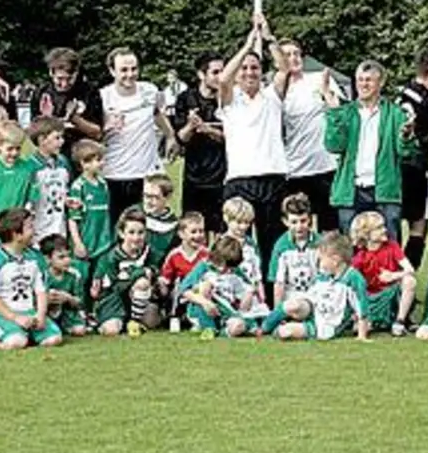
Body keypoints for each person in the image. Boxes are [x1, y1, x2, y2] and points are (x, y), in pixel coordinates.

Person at [217, 17, 290, 267]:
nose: (250, 72)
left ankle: (271, 298)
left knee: (272, 243)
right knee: (237, 246)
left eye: (255, 68)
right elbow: (223, 80)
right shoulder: (230, 101)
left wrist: (269, 39)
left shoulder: (271, 97)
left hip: (272, 178)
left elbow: (283, 70)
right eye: (245, 69)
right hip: (240, 180)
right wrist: (247, 47)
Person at [324, 60, 418, 241]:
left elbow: (406, 152)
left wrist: (406, 137)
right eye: (360, 80)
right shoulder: (346, 112)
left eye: (368, 80)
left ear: (381, 82)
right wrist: (334, 112)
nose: (363, 85)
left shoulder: (396, 114)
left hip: (384, 190)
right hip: (350, 190)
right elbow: (333, 146)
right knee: (350, 248)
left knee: (388, 245)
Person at [266, 26, 339, 231]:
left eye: (297, 53)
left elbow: (339, 112)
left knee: (329, 227)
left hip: (325, 165)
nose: (294, 58)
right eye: (287, 54)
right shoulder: (275, 90)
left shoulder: (319, 79)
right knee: (295, 226)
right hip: (294, 168)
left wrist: (328, 96)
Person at [98, 47, 177, 217]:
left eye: (134, 69)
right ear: (112, 71)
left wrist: (170, 136)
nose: (130, 74)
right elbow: (95, 137)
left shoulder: (149, 90)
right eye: (124, 70)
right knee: (119, 228)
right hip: (115, 173)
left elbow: (157, 113)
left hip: (147, 174)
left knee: (147, 227)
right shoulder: (103, 97)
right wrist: (108, 127)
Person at [263, 231, 370, 341]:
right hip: (313, 308)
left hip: (326, 323)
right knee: (293, 305)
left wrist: (362, 335)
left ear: (335, 260)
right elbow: (313, 294)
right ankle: (264, 327)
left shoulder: (353, 278)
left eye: (321, 259)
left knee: (286, 331)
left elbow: (361, 307)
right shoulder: (324, 274)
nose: (319, 263)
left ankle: (278, 330)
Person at [0, 208, 62, 350]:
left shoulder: (35, 257)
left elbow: (41, 290)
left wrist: (40, 315)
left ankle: (24, 333)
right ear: (16, 234)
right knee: (16, 342)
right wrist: (15, 318)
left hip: (28, 312)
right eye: (30, 227)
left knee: (53, 339)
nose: (34, 230)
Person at [397, 52, 428, 270]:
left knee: (395, 224)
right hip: (415, 169)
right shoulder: (425, 101)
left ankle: (396, 283)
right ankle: (406, 278)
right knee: (419, 225)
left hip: (395, 168)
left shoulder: (404, 94)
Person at [172, 53, 228, 235]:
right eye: (215, 72)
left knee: (222, 233)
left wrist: (207, 129)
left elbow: (234, 138)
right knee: (193, 232)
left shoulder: (229, 99)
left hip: (223, 178)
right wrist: (191, 125)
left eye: (223, 71)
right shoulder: (185, 99)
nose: (221, 77)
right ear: (201, 75)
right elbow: (180, 138)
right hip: (194, 178)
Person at [90, 209, 159, 336]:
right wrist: (140, 272)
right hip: (113, 300)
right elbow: (108, 288)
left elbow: (155, 271)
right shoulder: (110, 258)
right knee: (112, 331)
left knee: (153, 320)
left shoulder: (149, 252)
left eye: (141, 233)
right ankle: (100, 322)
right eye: (131, 232)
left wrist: (152, 275)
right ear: (122, 233)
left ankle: (134, 322)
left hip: (136, 299)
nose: (136, 237)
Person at [349, 211, 417, 337]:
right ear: (367, 234)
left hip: (391, 294)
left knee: (410, 281)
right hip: (371, 298)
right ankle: (365, 320)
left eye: (384, 226)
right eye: (379, 228)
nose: (385, 230)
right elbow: (350, 282)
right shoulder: (360, 258)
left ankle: (400, 321)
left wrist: (393, 275)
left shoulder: (392, 247)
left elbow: (410, 269)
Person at [25, 48, 104, 148]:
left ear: (76, 72)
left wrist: (75, 119)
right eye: (60, 79)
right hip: (50, 155)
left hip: (80, 154)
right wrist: (49, 122)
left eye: (70, 79)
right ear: (51, 72)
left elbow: (97, 133)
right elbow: (33, 132)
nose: (64, 84)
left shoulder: (89, 92)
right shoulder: (40, 93)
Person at [66, 140, 114, 264]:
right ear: (84, 163)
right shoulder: (78, 186)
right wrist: (78, 243)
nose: (102, 163)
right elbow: (73, 218)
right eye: (98, 160)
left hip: (103, 240)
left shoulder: (103, 184)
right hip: (86, 240)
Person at [269, 193, 320, 308]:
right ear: (285, 221)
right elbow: (278, 283)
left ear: (310, 219)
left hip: (315, 294)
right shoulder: (281, 246)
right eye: (294, 222)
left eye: (303, 221)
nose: (299, 226)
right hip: (291, 296)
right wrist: (278, 310)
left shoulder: (319, 243)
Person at [27, 116, 72, 245]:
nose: (62, 142)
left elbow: (66, 189)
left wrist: (69, 200)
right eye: (57, 138)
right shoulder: (30, 165)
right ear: (41, 140)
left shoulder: (63, 162)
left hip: (59, 226)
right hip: (38, 228)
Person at [159, 212, 210, 322]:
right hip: (181, 291)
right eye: (193, 232)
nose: (198, 235)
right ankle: (175, 316)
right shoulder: (174, 255)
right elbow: (166, 278)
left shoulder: (206, 255)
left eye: (201, 231)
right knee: (177, 287)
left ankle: (199, 317)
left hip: (200, 290)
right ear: (181, 234)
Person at [41, 235, 90, 338]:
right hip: (46, 313)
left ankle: (66, 327)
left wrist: (68, 298)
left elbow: (80, 302)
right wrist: (47, 299)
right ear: (47, 259)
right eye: (61, 257)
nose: (67, 260)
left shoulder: (74, 274)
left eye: (69, 256)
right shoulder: (42, 276)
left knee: (80, 330)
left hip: (67, 313)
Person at [221, 197, 265, 304]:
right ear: (227, 218)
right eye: (239, 222)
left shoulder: (251, 244)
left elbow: (256, 271)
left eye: (247, 223)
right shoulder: (221, 243)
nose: (243, 227)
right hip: (229, 292)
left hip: (250, 291)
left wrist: (261, 293)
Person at [142, 174, 180, 261]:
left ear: (167, 197)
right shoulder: (134, 215)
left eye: (155, 197)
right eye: (146, 196)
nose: (148, 201)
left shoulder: (174, 227)